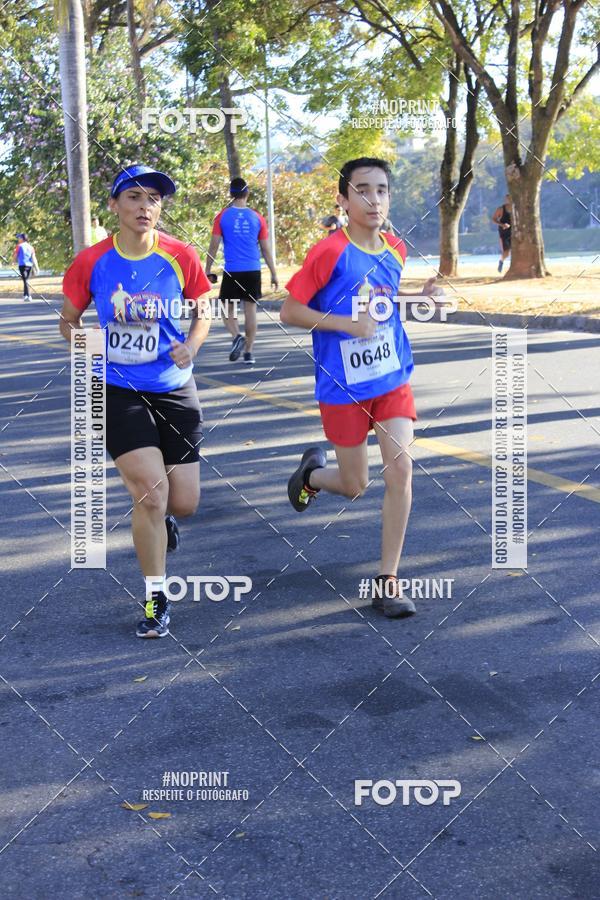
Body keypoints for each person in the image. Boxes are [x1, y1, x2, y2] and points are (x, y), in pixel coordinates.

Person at [281, 157, 438, 619]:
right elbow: (291, 311)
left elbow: (382, 304)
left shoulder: (395, 249)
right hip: (342, 386)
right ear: (344, 199)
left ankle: (388, 580)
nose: (374, 199)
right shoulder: (328, 252)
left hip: (391, 377)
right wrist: (346, 325)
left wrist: (420, 300)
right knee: (354, 485)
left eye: (382, 190)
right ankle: (310, 476)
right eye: (363, 190)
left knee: (401, 473)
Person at [59, 164, 211, 638]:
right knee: (149, 490)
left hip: (173, 385)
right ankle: (155, 598)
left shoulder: (180, 255)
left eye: (153, 199)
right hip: (118, 388)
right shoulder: (92, 262)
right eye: (134, 197)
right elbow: (68, 319)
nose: (145, 206)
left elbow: (203, 307)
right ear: (114, 206)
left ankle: (165, 517)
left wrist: (193, 343)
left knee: (182, 503)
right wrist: (85, 344)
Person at [205, 176, 278, 366]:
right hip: (253, 269)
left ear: (231, 194)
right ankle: (249, 353)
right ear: (247, 193)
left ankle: (236, 335)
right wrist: (273, 273)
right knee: (250, 310)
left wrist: (207, 268)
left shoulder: (222, 216)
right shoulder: (257, 217)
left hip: (232, 270)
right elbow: (266, 248)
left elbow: (213, 246)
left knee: (226, 308)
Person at [13, 233, 38, 301]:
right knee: (25, 280)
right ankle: (25, 295)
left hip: (22, 265)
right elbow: (33, 257)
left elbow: (15, 255)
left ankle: (28, 296)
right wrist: (36, 267)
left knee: (25, 280)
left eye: (19, 238)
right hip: (29, 265)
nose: (18, 239)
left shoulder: (19, 246)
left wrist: (13, 262)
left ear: (22, 239)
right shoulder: (31, 247)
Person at [492, 194, 512, 272]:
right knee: (506, 252)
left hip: (514, 232)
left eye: (510, 198)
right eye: (507, 199)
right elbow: (494, 219)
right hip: (504, 233)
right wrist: (502, 224)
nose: (508, 200)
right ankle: (501, 262)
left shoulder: (516, 208)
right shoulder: (500, 209)